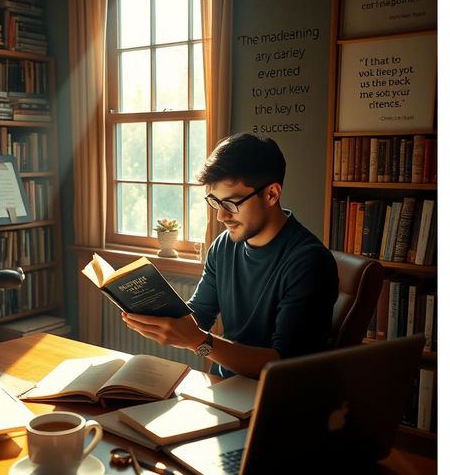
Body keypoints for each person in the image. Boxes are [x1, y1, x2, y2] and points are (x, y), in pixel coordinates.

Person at [122, 133, 339, 379]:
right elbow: (199, 315)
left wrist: (197, 342)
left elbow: (283, 365)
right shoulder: (223, 246)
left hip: (274, 400)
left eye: (232, 204)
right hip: (223, 387)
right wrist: (153, 312)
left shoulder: (310, 262)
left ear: (272, 195)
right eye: (215, 202)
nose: (221, 217)